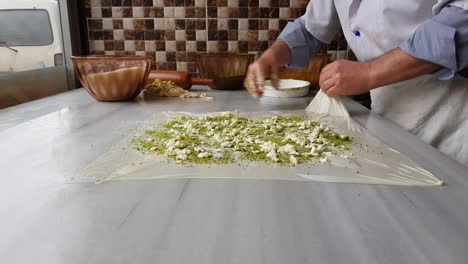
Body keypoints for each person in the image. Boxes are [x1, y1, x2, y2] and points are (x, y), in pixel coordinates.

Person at [244, 0, 468, 166]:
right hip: (388, 109)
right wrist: (273, 56)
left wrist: (369, 73)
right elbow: (311, 28)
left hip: (449, 112)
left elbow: (461, 20)